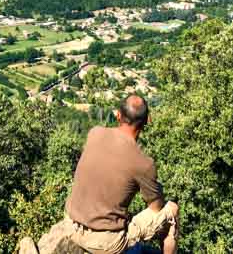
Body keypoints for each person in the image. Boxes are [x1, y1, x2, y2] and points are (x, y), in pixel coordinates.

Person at [64, 94, 179, 254]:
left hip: (70, 224)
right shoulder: (144, 163)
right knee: (172, 210)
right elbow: (156, 208)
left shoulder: (95, 133)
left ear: (118, 114)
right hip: (104, 243)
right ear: (147, 121)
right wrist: (156, 189)